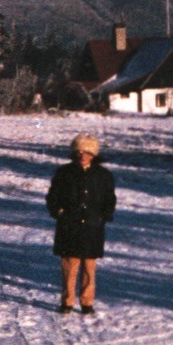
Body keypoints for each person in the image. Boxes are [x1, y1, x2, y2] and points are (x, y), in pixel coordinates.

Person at [46, 134, 116, 314]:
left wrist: (104, 216)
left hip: (92, 227)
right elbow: (52, 196)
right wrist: (59, 212)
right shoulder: (64, 173)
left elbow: (110, 199)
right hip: (69, 226)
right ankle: (67, 302)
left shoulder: (103, 175)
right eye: (78, 151)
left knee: (89, 268)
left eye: (86, 152)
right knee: (70, 267)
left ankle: (87, 302)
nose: (82, 155)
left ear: (93, 154)